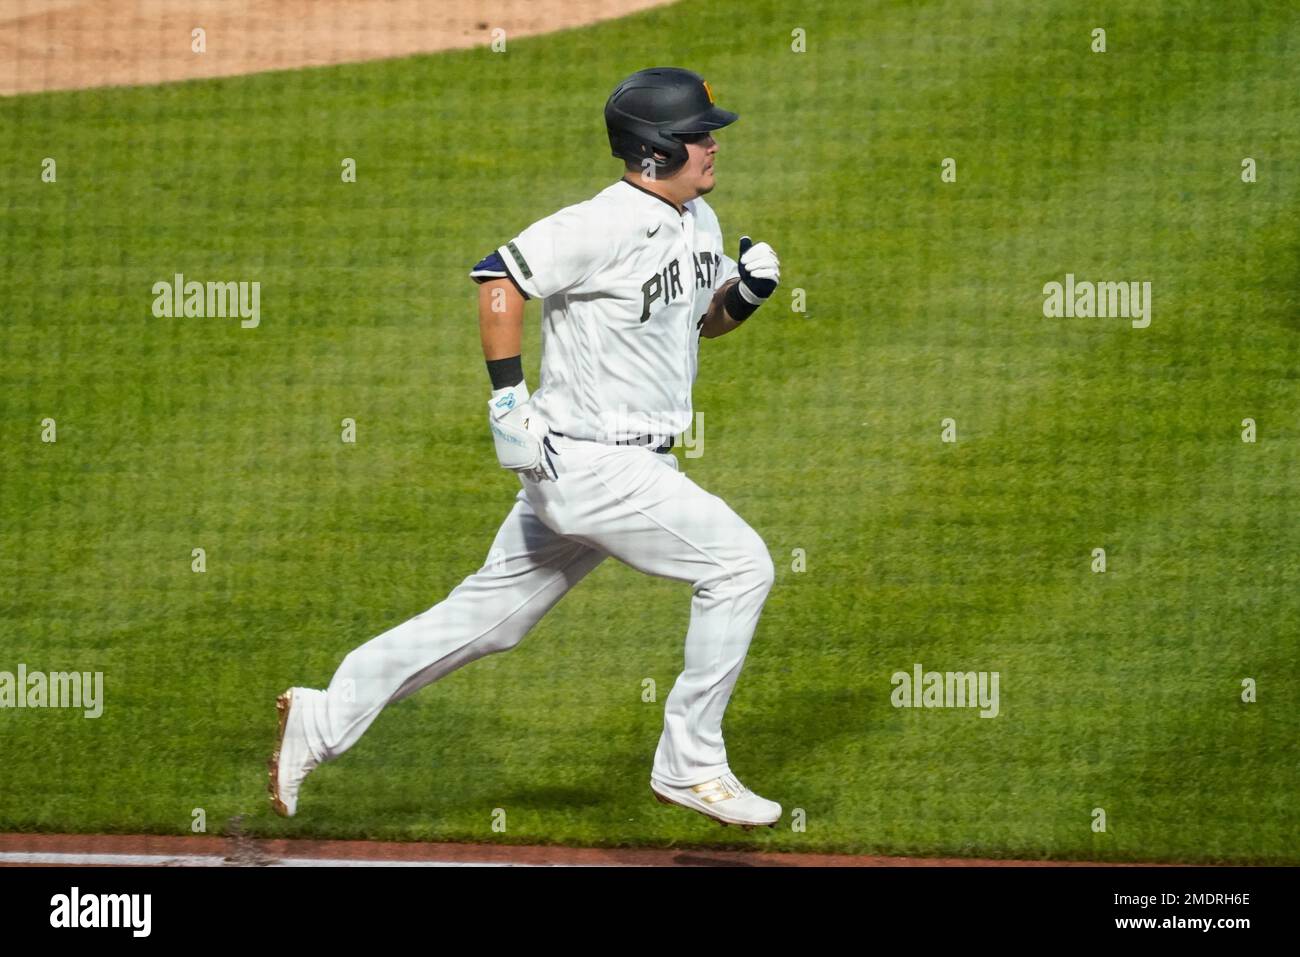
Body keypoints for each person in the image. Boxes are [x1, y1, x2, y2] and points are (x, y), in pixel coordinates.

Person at [269, 66, 784, 829]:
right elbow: (499, 279)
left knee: (490, 619)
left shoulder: (697, 222)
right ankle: (691, 762)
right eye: (697, 136)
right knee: (742, 566)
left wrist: (741, 297)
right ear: (653, 152)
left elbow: (694, 323)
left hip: (616, 464)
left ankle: (323, 714)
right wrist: (509, 398)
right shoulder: (601, 222)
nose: (712, 146)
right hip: (593, 464)